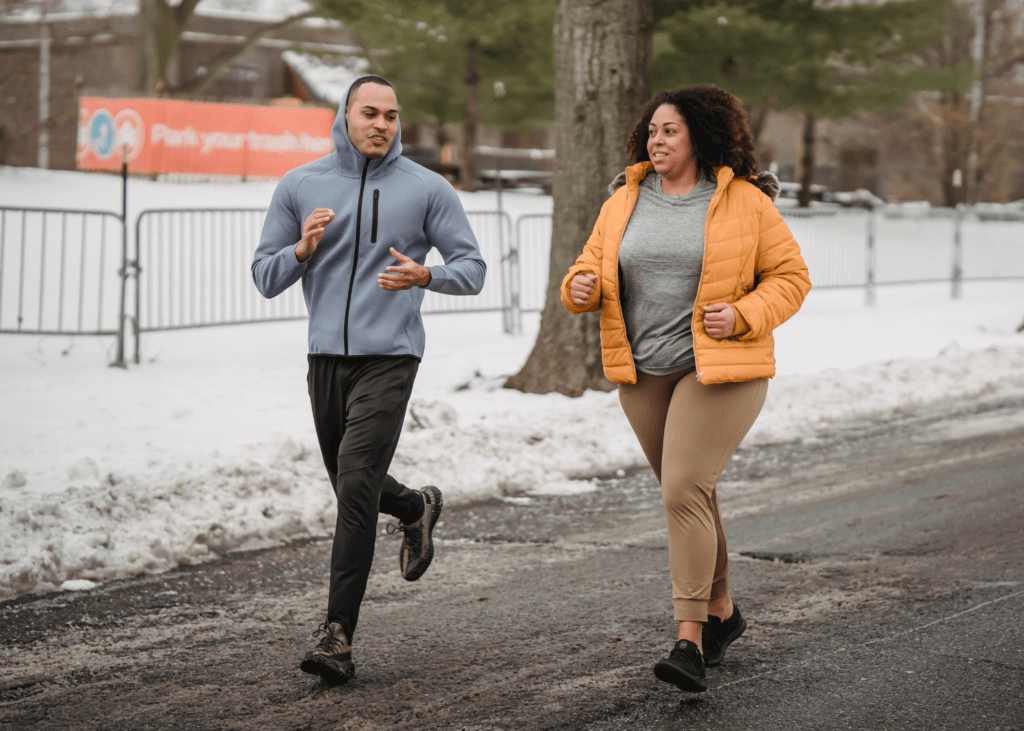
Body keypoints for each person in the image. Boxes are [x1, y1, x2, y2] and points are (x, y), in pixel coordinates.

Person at [561, 86, 811, 693]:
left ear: (699, 135)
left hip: (721, 371)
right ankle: (723, 613)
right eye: (651, 130)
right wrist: (580, 286)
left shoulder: (745, 202)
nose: (656, 139)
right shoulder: (624, 200)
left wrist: (746, 313)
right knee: (690, 496)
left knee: (682, 488)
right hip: (644, 372)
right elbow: (588, 266)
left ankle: (689, 640)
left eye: (669, 130)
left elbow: (792, 278)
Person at [252, 75, 486, 685]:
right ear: (346, 115)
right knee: (349, 481)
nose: (381, 124)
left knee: (354, 486)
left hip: (390, 356)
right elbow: (263, 275)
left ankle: (337, 636)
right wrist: (300, 251)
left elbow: (473, 268)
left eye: (391, 114)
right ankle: (415, 505)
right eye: (369, 113)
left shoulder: (426, 188)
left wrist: (425, 277)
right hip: (325, 358)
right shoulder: (301, 185)